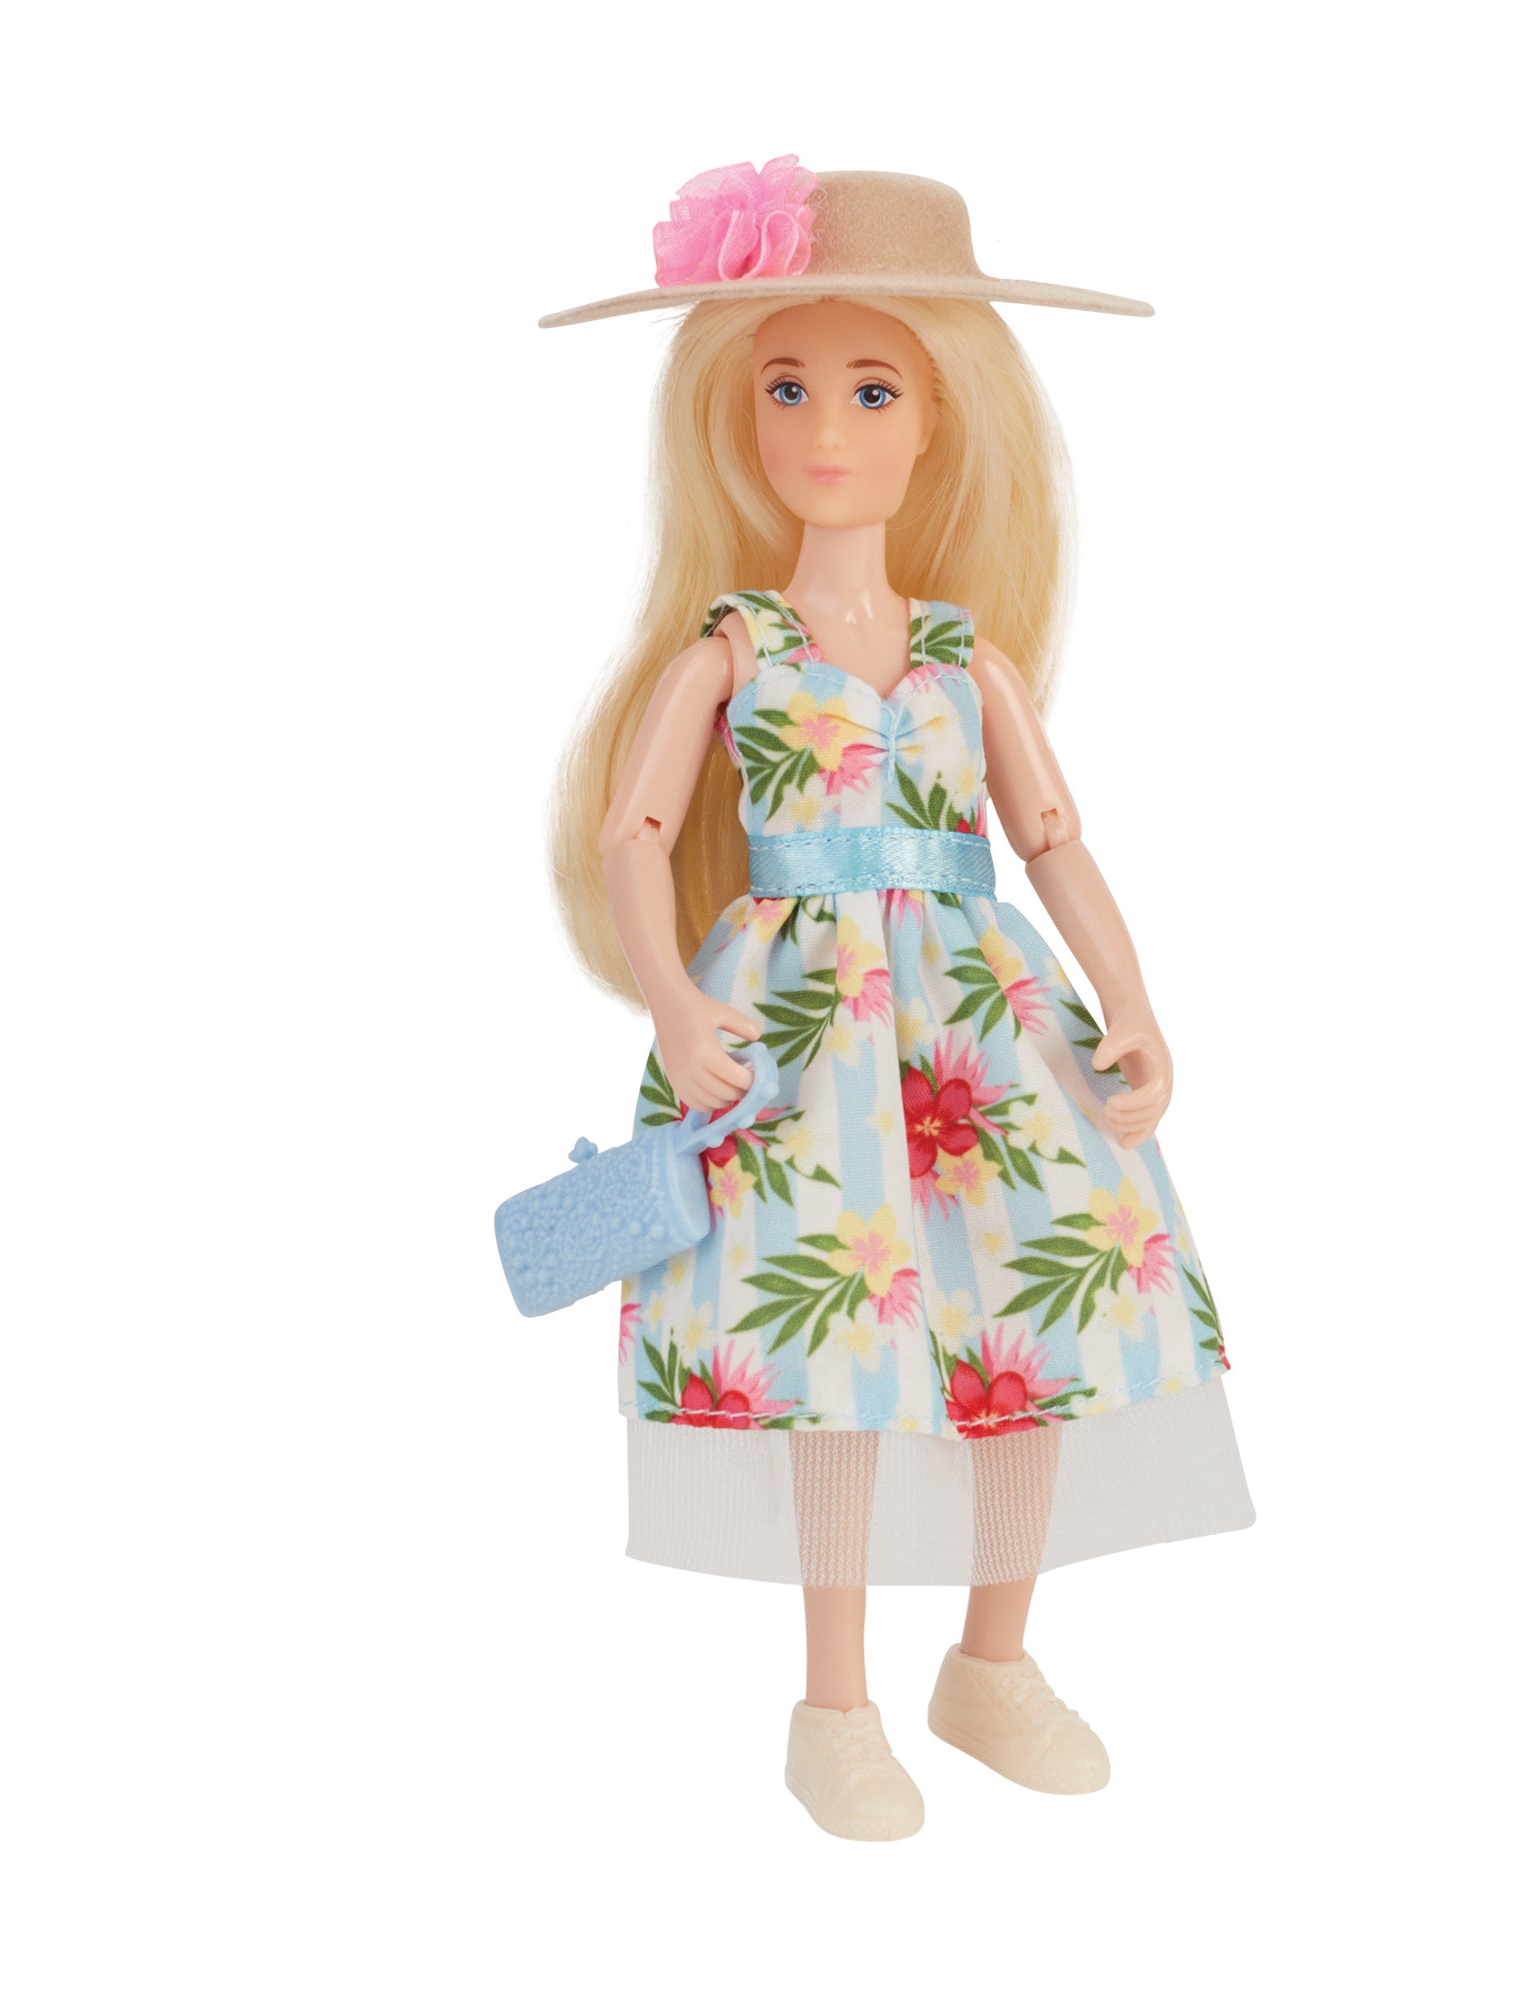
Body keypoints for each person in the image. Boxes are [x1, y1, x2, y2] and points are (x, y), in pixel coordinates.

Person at [540, 160, 1254, 1839]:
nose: (823, 427)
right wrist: (674, 1004)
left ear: (939, 421)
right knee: (830, 1336)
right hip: (794, 1029)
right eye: (784, 386)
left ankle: (991, 1662)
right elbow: (637, 836)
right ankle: (836, 1704)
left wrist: (1134, 1001)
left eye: (872, 390)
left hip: (981, 1024)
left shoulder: (962, 656)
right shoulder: (732, 649)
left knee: (1038, 1308)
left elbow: (1054, 838)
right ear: (736, 414)